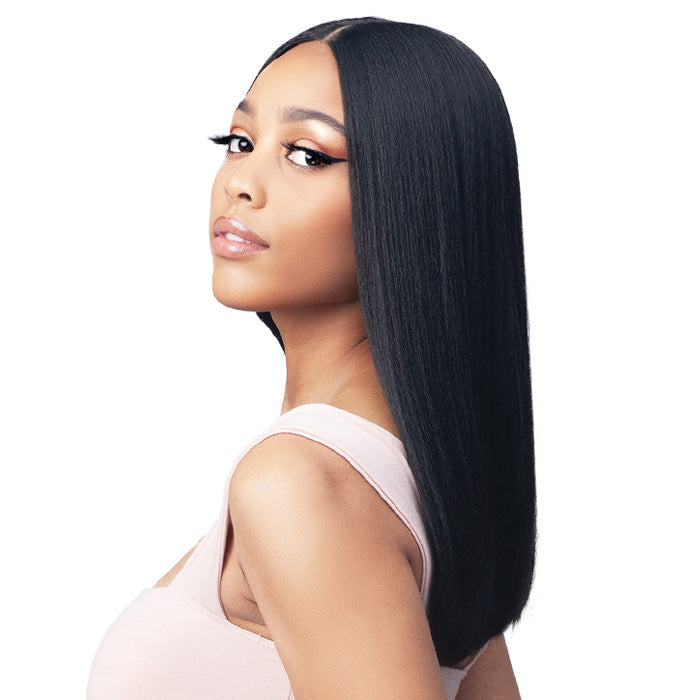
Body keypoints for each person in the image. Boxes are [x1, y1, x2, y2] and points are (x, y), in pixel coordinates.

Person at [86, 16, 536, 700]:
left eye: (307, 154)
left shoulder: (299, 484)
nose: (240, 182)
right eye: (240, 141)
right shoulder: (428, 484)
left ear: (416, 198)